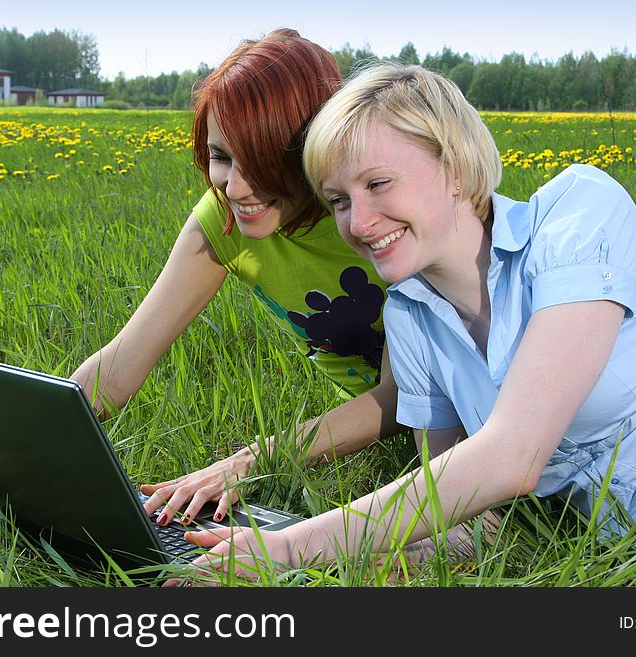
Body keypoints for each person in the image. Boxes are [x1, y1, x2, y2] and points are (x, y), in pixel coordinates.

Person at [177, 62, 636, 586]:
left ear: (456, 169)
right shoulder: (410, 320)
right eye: (339, 200)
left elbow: (515, 455)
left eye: (379, 183)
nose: (360, 223)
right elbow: (461, 521)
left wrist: (293, 547)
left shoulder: (577, 217)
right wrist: (297, 566)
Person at [70, 29, 408, 529]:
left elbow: (401, 396)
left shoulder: (373, 217)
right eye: (221, 156)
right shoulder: (224, 219)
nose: (237, 186)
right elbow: (121, 365)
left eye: (264, 161)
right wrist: (39, 431)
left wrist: (246, 462)